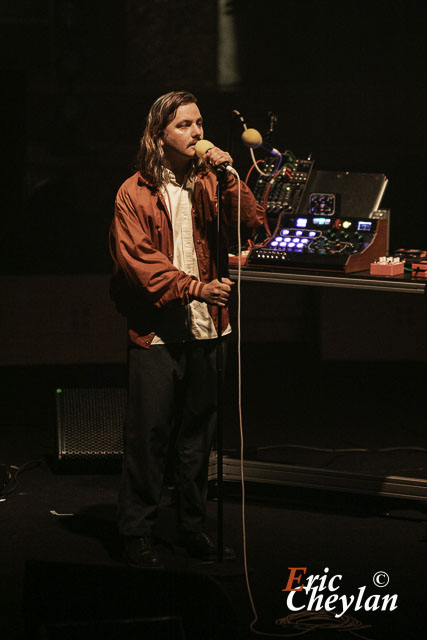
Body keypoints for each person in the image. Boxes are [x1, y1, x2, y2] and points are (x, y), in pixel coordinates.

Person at [109, 90, 263, 569]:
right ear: (160, 135)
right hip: (158, 330)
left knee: (200, 436)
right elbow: (139, 263)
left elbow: (253, 226)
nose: (197, 133)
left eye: (199, 123)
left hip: (209, 329)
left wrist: (232, 180)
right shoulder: (132, 192)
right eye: (185, 125)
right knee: (149, 435)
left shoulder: (213, 181)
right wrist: (195, 288)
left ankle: (193, 526)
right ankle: (137, 530)